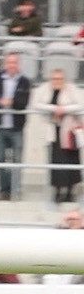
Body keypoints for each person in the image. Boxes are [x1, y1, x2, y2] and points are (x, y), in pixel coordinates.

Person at [0, 50, 32, 201]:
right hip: (0, 127)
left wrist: (10, 101)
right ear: (5, 63)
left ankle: (16, 190)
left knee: (17, 160)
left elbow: (23, 103)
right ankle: (3, 191)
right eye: (9, 62)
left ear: (18, 64)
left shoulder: (25, 81)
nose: (11, 65)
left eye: (14, 62)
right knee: (1, 159)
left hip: (17, 128)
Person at [47, 66, 84, 204]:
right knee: (56, 161)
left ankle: (69, 191)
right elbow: (40, 105)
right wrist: (54, 109)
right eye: (55, 78)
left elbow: (80, 105)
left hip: (69, 132)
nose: (57, 81)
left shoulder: (72, 89)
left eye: (60, 78)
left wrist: (64, 110)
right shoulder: (48, 91)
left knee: (71, 159)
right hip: (55, 131)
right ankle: (57, 191)